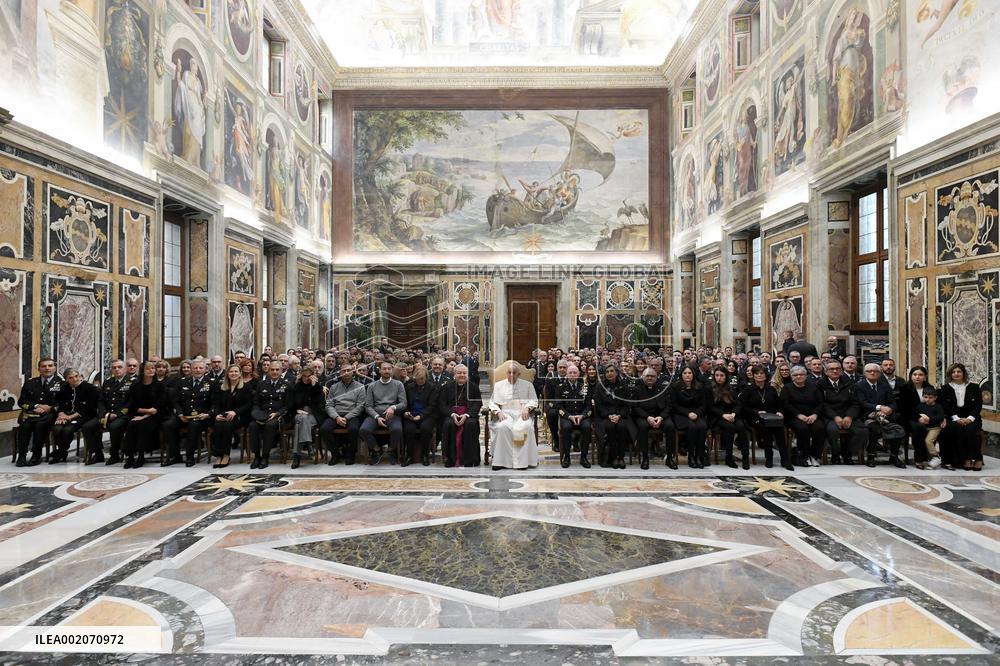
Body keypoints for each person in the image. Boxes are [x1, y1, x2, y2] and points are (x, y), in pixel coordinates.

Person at [161, 359, 214, 467]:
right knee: (168, 425)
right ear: (191, 369)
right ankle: (175, 456)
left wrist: (208, 414)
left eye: (200, 368)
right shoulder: (182, 381)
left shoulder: (211, 383)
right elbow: (176, 401)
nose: (198, 370)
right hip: (183, 415)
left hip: (201, 417)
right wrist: (180, 414)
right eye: (195, 368)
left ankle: (190, 456)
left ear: (205, 369)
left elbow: (215, 402)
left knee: (193, 426)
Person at [740, 365, 793, 470]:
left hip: (771, 416)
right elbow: (743, 407)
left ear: (765, 375)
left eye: (762, 373)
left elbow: (779, 404)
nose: (759, 375)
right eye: (757, 374)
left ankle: (785, 459)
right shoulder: (748, 390)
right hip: (755, 417)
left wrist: (779, 412)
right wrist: (756, 412)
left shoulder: (771, 388)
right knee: (767, 429)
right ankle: (769, 457)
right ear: (753, 376)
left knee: (779, 429)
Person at [487, 361, 538, 471]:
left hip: (521, 414)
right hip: (506, 413)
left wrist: (527, 408)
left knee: (524, 427)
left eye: (514, 373)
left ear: (518, 374)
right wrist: (498, 412)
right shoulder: (499, 385)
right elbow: (492, 402)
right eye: (509, 372)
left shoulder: (528, 385)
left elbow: (534, 400)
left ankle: (520, 462)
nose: (511, 375)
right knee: (502, 427)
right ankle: (500, 461)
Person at [854, 363, 906, 468]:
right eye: (869, 371)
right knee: (873, 428)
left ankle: (894, 456)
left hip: (885, 415)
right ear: (864, 373)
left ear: (879, 373)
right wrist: (879, 408)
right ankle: (871, 456)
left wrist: (889, 409)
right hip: (867, 415)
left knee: (898, 428)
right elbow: (862, 402)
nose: (872, 373)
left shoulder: (884, 385)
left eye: (876, 371)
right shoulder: (859, 385)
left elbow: (892, 402)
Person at [15, 358, 64, 467]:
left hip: (49, 415)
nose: (47, 368)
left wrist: (50, 408)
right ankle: (22, 456)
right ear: (39, 369)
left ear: (55, 368)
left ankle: (36, 456)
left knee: (40, 425)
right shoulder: (30, 383)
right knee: (24, 426)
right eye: (44, 366)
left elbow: (64, 403)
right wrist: (36, 406)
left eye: (50, 366)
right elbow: (21, 401)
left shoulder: (62, 384)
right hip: (31, 414)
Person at [819, 359, 867, 465]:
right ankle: (835, 455)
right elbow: (822, 404)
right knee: (832, 430)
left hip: (847, 414)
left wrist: (849, 416)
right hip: (829, 416)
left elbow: (855, 403)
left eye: (837, 369)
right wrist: (835, 417)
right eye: (832, 369)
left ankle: (848, 455)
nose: (835, 371)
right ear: (826, 372)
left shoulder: (849, 383)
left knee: (862, 431)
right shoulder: (820, 384)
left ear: (841, 371)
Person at [937, 363, 983, 471]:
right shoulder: (945, 388)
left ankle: (977, 458)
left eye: (959, 371)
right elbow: (945, 406)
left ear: (963, 373)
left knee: (971, 429)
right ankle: (963, 459)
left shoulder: (974, 387)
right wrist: (956, 418)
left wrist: (970, 418)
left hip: (972, 417)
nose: (956, 374)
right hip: (953, 417)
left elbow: (978, 405)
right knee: (955, 428)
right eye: (953, 372)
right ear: (950, 374)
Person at [88, 359, 135, 465]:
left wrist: (118, 414)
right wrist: (104, 413)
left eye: (119, 367)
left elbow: (131, 402)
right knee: (88, 427)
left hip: (123, 415)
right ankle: (98, 453)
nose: (117, 369)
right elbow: (101, 400)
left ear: (125, 369)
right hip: (106, 414)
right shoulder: (108, 382)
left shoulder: (132, 382)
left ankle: (115, 455)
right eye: (114, 368)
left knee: (114, 427)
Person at [49, 368, 100, 464]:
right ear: (66, 380)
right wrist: (61, 414)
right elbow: (59, 404)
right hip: (66, 415)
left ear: (80, 376)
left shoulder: (90, 388)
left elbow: (90, 407)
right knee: (57, 428)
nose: (75, 379)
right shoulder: (64, 388)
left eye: (76, 376)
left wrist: (69, 417)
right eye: (71, 378)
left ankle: (60, 452)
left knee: (68, 429)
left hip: (85, 416)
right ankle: (62, 452)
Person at [360, 361, 407, 464]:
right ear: (380, 370)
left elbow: (403, 403)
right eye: (384, 369)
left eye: (389, 369)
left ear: (392, 370)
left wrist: (393, 407)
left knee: (397, 429)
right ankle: (377, 450)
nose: (387, 371)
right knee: (364, 430)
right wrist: (376, 417)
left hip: (392, 415)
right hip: (375, 414)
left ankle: (391, 451)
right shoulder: (372, 385)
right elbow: (368, 406)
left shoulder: (398, 384)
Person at [319, 364, 367, 465]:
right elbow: (329, 405)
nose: (346, 373)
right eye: (343, 371)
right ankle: (335, 454)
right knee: (324, 429)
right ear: (340, 373)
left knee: (354, 429)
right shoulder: (334, 387)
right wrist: (336, 417)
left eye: (348, 370)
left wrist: (346, 417)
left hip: (352, 415)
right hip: (336, 415)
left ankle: (350, 454)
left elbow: (360, 406)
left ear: (353, 372)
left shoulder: (360, 387)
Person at [123, 362, 166, 469]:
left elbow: (159, 406)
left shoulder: (159, 385)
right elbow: (132, 404)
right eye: (148, 369)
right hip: (138, 412)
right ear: (142, 371)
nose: (151, 370)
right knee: (131, 425)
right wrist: (144, 412)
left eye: (153, 368)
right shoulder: (136, 386)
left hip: (156, 415)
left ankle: (141, 456)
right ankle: (130, 456)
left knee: (142, 425)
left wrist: (145, 415)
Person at [249, 360, 291, 469]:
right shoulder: (261, 384)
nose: (274, 372)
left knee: (270, 425)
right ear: (268, 371)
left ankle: (265, 456)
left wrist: (277, 413)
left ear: (281, 371)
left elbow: (288, 405)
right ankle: (257, 456)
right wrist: (256, 414)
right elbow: (256, 403)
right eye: (272, 370)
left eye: (277, 370)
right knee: (253, 426)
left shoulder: (287, 385)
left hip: (278, 416)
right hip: (262, 414)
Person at [781, 365, 825, 467]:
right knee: (802, 428)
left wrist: (815, 414)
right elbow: (785, 405)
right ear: (791, 377)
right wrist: (798, 415)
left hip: (812, 415)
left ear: (806, 376)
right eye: (795, 375)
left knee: (819, 428)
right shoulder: (787, 388)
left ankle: (815, 455)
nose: (799, 377)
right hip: (794, 416)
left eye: (801, 374)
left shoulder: (814, 387)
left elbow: (820, 403)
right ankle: (803, 455)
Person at [439, 364, 482, 467]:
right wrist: (452, 414)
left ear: (467, 374)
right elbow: (441, 404)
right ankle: (450, 459)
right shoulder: (446, 387)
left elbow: (477, 404)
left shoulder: (473, 387)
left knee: (470, 424)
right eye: (459, 373)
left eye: (464, 373)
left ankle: (469, 460)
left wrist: (467, 415)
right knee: (449, 424)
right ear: (454, 374)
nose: (462, 375)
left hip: (468, 414)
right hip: (451, 414)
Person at [210, 364, 253, 469]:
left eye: (236, 371)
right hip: (224, 416)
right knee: (217, 425)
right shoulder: (222, 387)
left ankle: (225, 455)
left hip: (240, 417)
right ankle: (219, 455)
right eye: (231, 372)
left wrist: (235, 412)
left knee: (227, 426)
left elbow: (248, 405)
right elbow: (216, 404)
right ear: (227, 374)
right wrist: (216, 415)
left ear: (240, 374)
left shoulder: (246, 387)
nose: (233, 374)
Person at [633, 368, 675, 470]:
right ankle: (645, 457)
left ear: (656, 377)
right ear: (642, 377)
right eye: (647, 376)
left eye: (652, 376)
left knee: (670, 426)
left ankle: (669, 457)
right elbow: (635, 407)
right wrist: (647, 417)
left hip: (661, 416)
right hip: (644, 416)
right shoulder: (637, 389)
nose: (650, 378)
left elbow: (669, 406)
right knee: (642, 427)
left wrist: (661, 417)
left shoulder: (663, 388)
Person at [708, 368, 749, 469]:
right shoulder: (709, 388)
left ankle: (745, 457)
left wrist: (734, 414)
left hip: (731, 415)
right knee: (730, 427)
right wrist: (723, 415)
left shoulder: (731, 388)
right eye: (717, 375)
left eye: (722, 375)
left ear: (726, 377)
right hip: (717, 417)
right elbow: (710, 407)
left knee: (741, 427)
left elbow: (738, 404)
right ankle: (729, 457)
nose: (719, 378)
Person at [594, 364, 633, 470]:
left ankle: (621, 457)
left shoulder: (623, 385)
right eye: (607, 371)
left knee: (621, 427)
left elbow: (627, 404)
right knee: (610, 427)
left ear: (617, 373)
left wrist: (619, 416)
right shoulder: (600, 386)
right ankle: (614, 458)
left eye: (612, 371)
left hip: (621, 415)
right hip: (605, 416)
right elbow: (599, 405)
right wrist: (609, 415)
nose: (609, 373)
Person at [555, 364, 593, 469]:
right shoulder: (560, 388)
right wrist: (568, 416)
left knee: (586, 427)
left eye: (575, 372)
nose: (572, 374)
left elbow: (589, 405)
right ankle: (566, 456)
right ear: (566, 374)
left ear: (578, 374)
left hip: (582, 415)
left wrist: (583, 416)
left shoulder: (584, 387)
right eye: (570, 372)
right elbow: (558, 406)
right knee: (566, 427)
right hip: (567, 416)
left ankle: (584, 457)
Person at [670, 366, 708, 469]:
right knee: (692, 427)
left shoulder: (700, 386)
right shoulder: (675, 387)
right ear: (681, 375)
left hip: (697, 413)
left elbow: (703, 405)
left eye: (690, 373)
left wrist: (696, 413)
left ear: (693, 374)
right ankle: (691, 456)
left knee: (702, 426)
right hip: (681, 414)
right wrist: (688, 414)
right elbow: (675, 405)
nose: (687, 375)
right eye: (685, 373)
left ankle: (699, 456)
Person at [289, 365, 325, 469]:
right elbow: (289, 404)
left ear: (312, 376)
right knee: (302, 419)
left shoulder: (317, 388)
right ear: (301, 376)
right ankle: (309, 445)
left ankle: (297, 457)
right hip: (298, 414)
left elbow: (319, 405)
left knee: (298, 426)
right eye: (304, 376)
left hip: (313, 415)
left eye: (309, 376)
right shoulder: (295, 387)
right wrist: (297, 410)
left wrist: (314, 387)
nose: (306, 378)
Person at [402, 366, 438, 467]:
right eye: (418, 379)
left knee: (425, 428)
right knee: (409, 429)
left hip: (427, 415)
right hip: (412, 414)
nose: (420, 381)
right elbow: (405, 403)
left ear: (426, 377)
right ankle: (409, 455)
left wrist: (421, 416)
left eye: (422, 379)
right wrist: (406, 412)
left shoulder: (432, 387)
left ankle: (425, 455)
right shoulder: (409, 387)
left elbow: (432, 406)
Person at [899, 366, 932, 467]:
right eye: (915, 374)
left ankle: (937, 457)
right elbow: (905, 408)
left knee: (943, 428)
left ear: (925, 377)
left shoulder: (930, 388)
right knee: (919, 428)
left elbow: (935, 405)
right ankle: (919, 458)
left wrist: (929, 416)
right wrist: (918, 417)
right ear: (911, 376)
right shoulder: (904, 389)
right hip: (910, 418)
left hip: (928, 416)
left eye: (920, 375)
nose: (917, 377)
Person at [911, 386, 946, 470]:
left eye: (931, 398)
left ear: (935, 398)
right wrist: (921, 417)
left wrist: (929, 419)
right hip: (925, 428)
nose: (928, 399)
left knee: (928, 440)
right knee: (921, 439)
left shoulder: (938, 406)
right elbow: (916, 414)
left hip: (935, 428)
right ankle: (926, 458)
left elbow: (940, 417)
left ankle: (936, 456)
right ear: (923, 397)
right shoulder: (921, 406)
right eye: (926, 397)